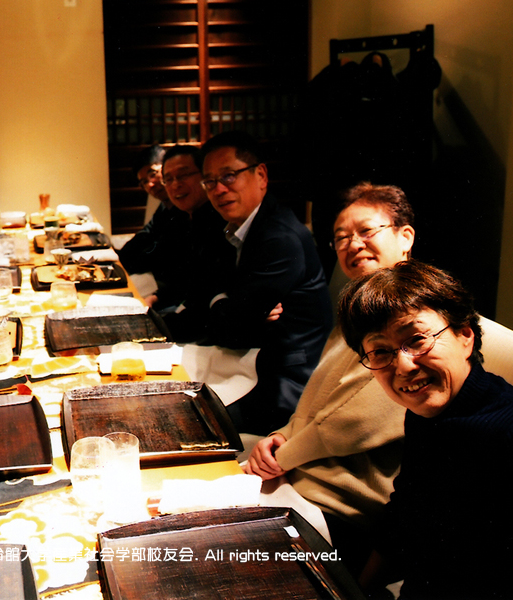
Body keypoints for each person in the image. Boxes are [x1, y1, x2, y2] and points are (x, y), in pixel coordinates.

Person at [340, 261, 513, 600]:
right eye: (380, 352)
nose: (403, 366)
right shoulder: (427, 412)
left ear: (465, 335)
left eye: (416, 340)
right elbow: (404, 515)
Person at [245, 182, 416, 574]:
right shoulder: (359, 308)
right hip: (299, 480)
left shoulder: (413, 315)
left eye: (366, 231)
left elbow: (355, 423)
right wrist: (280, 436)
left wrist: (282, 455)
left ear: (405, 237)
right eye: (341, 237)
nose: (353, 244)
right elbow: (316, 400)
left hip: (341, 510)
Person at [167, 130, 332, 435]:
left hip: (284, 379)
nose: (219, 189)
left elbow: (232, 327)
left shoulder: (280, 237)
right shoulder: (233, 227)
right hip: (245, 358)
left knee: (181, 423)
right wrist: (224, 302)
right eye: (210, 181)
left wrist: (223, 303)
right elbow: (209, 296)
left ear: (261, 175)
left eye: (229, 176)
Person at [117, 145, 192, 309]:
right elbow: (145, 235)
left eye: (153, 174)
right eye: (144, 182)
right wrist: (119, 257)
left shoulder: (186, 210)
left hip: (176, 292)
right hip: (163, 284)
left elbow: (161, 255)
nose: (150, 184)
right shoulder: (165, 206)